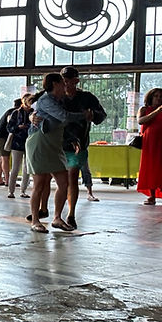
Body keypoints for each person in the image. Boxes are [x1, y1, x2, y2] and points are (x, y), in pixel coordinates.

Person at [26, 73, 91, 232]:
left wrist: (71, 138)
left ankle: (57, 218)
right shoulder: (46, 100)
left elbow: (58, 124)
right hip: (40, 143)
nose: (66, 86)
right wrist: (84, 115)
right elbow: (63, 117)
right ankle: (35, 220)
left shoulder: (59, 101)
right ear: (55, 84)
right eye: (63, 83)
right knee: (39, 183)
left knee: (64, 182)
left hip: (54, 145)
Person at [58, 67, 106, 229]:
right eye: (63, 81)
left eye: (68, 81)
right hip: (56, 143)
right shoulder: (55, 97)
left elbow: (101, 115)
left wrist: (93, 115)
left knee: (72, 176)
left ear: (76, 81)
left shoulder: (87, 98)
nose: (65, 85)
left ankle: (71, 214)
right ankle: (45, 210)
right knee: (50, 179)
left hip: (78, 143)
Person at [137, 88, 162, 206]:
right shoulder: (144, 109)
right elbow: (141, 121)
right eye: (156, 96)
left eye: (161, 97)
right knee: (151, 167)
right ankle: (152, 195)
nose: (158, 99)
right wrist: (157, 111)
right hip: (150, 143)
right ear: (151, 97)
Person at [6, 93, 33, 199]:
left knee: (27, 168)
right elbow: (9, 127)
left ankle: (23, 190)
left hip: (30, 142)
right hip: (17, 142)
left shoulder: (33, 113)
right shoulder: (16, 113)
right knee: (15, 168)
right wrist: (18, 127)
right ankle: (11, 191)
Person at [0, 100, 18, 187]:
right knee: (5, 158)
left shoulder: (11, 111)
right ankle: (8, 180)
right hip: (2, 137)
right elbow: (9, 122)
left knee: (2, 158)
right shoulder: (13, 112)